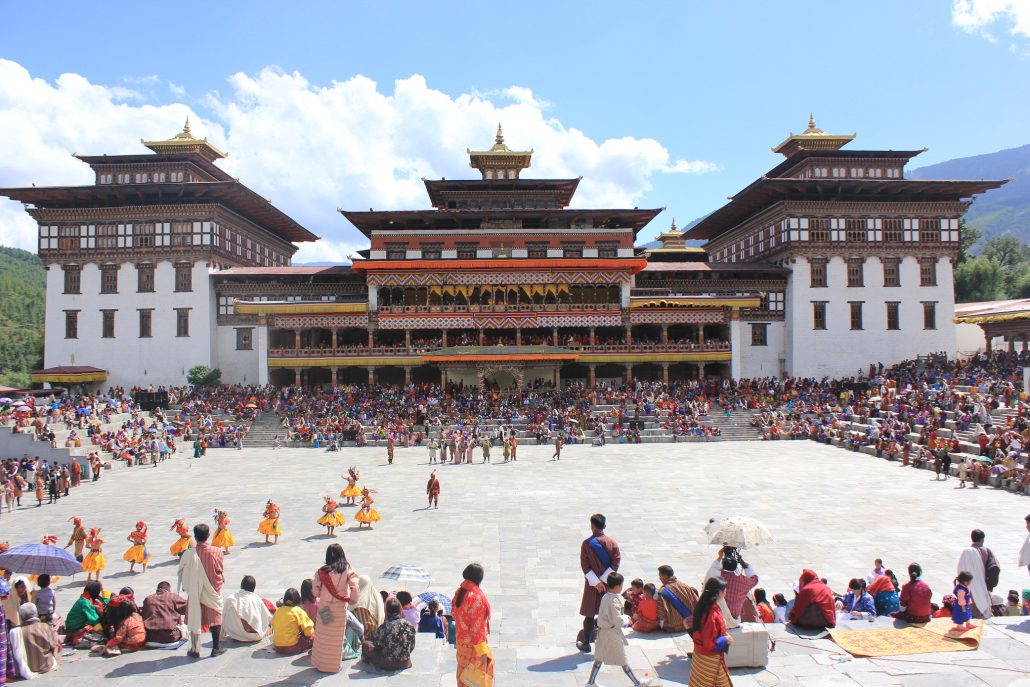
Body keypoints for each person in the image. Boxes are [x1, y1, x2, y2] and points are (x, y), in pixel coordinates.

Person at [584, 572, 657, 687]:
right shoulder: (613, 600)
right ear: (618, 586)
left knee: (599, 657)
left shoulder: (606, 596)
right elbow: (616, 620)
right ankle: (637, 683)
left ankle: (591, 682)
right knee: (622, 659)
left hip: (603, 632)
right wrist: (627, 620)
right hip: (611, 633)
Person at [177, 522, 225, 658]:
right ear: (208, 535)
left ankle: (194, 649)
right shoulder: (216, 551)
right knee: (215, 619)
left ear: (195, 536)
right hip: (212, 590)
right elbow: (219, 570)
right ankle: (215, 648)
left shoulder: (188, 554)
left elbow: (182, 573)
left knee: (194, 617)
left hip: (194, 590)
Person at [311, 543, 361, 673]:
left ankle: (321, 664)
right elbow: (355, 587)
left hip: (324, 608)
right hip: (339, 609)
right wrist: (353, 600)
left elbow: (315, 592)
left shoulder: (322, 571)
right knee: (336, 638)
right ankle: (333, 666)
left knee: (323, 636)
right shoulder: (347, 570)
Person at [578, 513, 621, 652]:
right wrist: (604, 580)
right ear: (604, 526)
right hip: (607, 585)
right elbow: (616, 562)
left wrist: (596, 582)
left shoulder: (587, 544)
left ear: (592, 526)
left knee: (589, 615)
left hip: (592, 586)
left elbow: (585, 566)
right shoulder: (612, 543)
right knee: (607, 614)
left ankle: (586, 643)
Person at [688, 577, 734, 687]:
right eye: (724, 590)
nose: (726, 593)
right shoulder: (711, 614)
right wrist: (726, 640)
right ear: (719, 592)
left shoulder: (703, 606)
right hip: (710, 659)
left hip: (700, 657)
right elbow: (709, 643)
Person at [453, 563, 493, 687]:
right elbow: (477, 629)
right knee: (477, 676)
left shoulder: (460, 591)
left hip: (461, 642)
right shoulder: (476, 597)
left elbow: (455, 614)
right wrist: (483, 652)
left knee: (464, 673)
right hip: (473, 646)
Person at [361, 597, 415, 672]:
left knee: (365, 645)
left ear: (387, 611)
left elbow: (377, 646)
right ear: (400, 610)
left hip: (388, 664)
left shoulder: (383, 627)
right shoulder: (409, 625)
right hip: (406, 663)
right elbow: (412, 646)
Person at [7, 603, 61, 678]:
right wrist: (57, 661)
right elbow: (55, 647)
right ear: (36, 614)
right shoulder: (45, 627)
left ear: (21, 617)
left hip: (27, 669)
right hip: (47, 665)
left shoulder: (18, 632)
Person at [957, 528, 1000, 618]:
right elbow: (994, 568)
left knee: (969, 605)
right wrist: (991, 584)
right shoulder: (985, 551)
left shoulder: (965, 552)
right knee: (982, 605)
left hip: (967, 585)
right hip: (982, 585)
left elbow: (960, 568)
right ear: (982, 539)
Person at [221, 575, 273, 643]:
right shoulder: (256, 599)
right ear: (253, 588)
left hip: (235, 634)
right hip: (254, 636)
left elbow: (223, 616)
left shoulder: (231, 598)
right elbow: (269, 617)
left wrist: (221, 634)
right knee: (270, 626)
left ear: (241, 586)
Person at [141, 581, 188, 646]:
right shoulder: (173, 596)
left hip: (149, 638)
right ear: (168, 590)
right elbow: (187, 608)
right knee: (186, 627)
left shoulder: (148, 599)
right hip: (170, 637)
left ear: (157, 590)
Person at [656, 564, 699, 632]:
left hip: (674, 626)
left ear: (665, 576)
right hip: (690, 622)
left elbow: (661, 612)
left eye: (660, 576)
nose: (659, 578)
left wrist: (661, 624)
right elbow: (696, 601)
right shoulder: (685, 586)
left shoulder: (663, 591)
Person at [272, 588, 315, 655]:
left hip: (277, 646)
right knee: (314, 637)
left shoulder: (278, 611)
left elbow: (274, 624)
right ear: (298, 599)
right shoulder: (297, 610)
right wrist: (309, 636)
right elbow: (308, 629)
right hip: (292, 647)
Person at [65, 581, 105, 647]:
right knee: (98, 632)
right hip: (74, 630)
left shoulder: (83, 598)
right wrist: (101, 631)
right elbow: (94, 620)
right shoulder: (85, 602)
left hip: (70, 627)